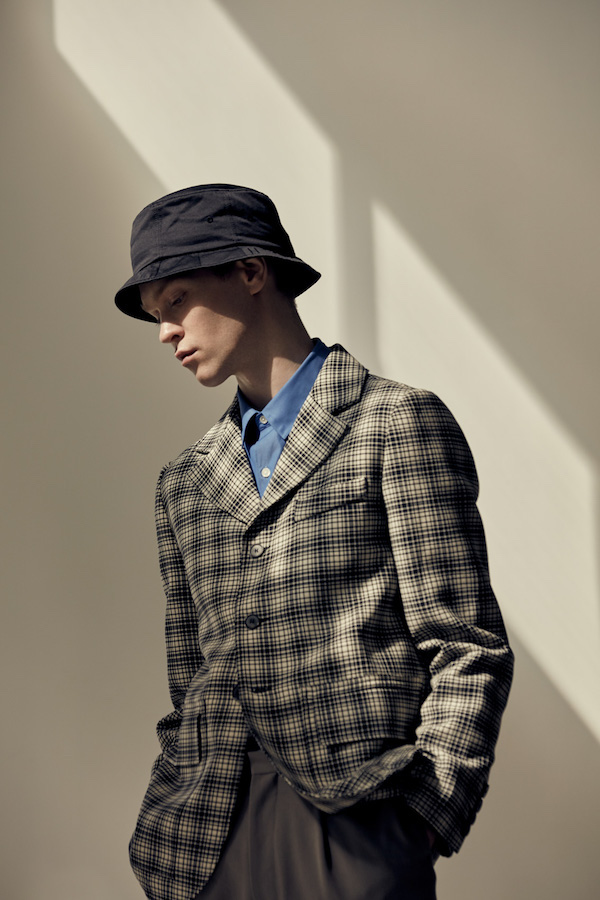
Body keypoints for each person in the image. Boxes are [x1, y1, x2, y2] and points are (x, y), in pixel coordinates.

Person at [115, 184, 513, 900]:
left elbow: (466, 644)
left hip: (356, 818)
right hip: (207, 837)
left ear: (250, 272)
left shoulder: (395, 422)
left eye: (175, 300)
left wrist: (421, 819)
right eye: (154, 315)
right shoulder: (184, 482)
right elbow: (188, 679)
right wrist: (173, 795)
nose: (165, 331)